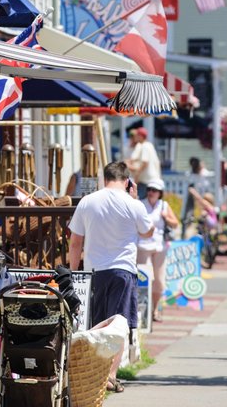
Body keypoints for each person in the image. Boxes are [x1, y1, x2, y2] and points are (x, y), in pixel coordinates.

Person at [68, 161, 153, 390]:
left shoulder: (88, 201)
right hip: (123, 270)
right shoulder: (132, 204)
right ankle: (110, 375)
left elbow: (75, 242)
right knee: (119, 325)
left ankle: (95, 373)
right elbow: (148, 231)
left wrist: (74, 273)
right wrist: (134, 200)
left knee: (97, 323)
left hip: (95, 271)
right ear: (127, 182)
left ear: (104, 179)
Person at [137, 179, 180, 322]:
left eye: (154, 190)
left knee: (159, 281)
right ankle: (143, 311)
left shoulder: (164, 205)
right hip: (143, 245)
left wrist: (166, 217)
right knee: (144, 279)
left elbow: (175, 223)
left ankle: (155, 310)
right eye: (149, 189)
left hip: (159, 246)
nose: (150, 193)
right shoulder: (141, 204)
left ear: (160, 193)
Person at [125, 127, 160, 200]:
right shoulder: (149, 145)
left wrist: (137, 174)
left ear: (141, 136)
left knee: (136, 200)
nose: (135, 137)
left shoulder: (145, 146)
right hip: (152, 180)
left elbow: (145, 163)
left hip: (146, 182)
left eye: (137, 135)